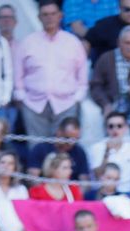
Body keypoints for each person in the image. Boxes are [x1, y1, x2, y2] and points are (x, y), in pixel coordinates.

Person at [15, 0, 87, 141]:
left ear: (60, 16)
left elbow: (82, 73)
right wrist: (22, 96)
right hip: (34, 105)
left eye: (53, 14)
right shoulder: (28, 42)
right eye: (45, 14)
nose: (50, 18)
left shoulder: (73, 42)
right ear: (39, 17)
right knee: (37, 148)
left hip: (66, 104)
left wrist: (78, 96)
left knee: (64, 151)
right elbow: (18, 72)